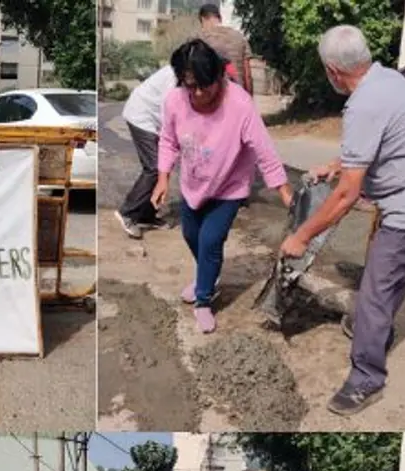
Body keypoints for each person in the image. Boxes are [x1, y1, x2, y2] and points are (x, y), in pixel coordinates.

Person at [281, 25, 405, 416]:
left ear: (333, 70)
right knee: (391, 281)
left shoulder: (364, 104)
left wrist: (301, 236)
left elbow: (346, 196)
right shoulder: (389, 81)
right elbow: (378, 144)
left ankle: (367, 378)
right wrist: (337, 164)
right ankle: (375, 332)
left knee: (375, 291)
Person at [153, 40, 293, 334]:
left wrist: (283, 189)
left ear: (218, 76)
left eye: (204, 85)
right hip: (193, 185)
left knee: (210, 240)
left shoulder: (239, 104)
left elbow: (263, 149)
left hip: (229, 187)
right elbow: (168, 140)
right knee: (191, 235)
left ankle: (204, 299)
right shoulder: (175, 101)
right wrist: (163, 177)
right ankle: (208, 275)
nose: (198, 93)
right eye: (191, 86)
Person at [115, 64, 178, 239]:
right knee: (155, 168)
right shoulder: (176, 76)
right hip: (141, 117)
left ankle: (146, 215)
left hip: (152, 119)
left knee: (162, 168)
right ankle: (128, 213)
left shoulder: (187, 73)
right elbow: (170, 111)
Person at [198, 4, 252, 93]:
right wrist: (248, 98)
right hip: (237, 93)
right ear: (220, 18)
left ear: (203, 19)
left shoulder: (199, 40)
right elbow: (247, 75)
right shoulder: (239, 37)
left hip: (211, 96)